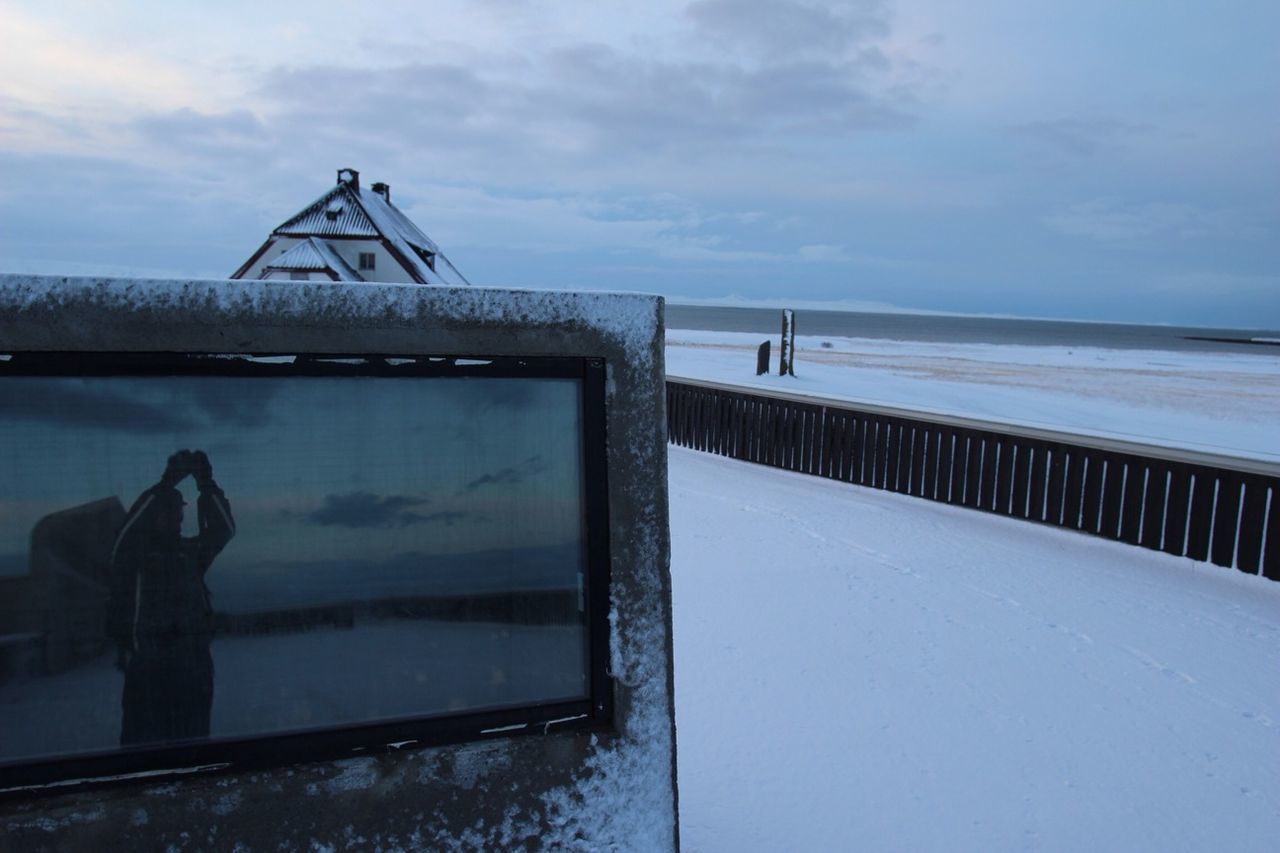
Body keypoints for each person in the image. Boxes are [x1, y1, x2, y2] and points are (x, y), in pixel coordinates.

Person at [106, 450, 235, 746]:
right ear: (153, 516)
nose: (178, 517)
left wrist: (207, 485)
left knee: (193, 756)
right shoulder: (131, 557)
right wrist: (165, 484)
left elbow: (223, 530)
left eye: (179, 510)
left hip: (193, 671)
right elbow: (125, 534)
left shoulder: (188, 555)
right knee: (143, 757)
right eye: (169, 510)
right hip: (148, 675)